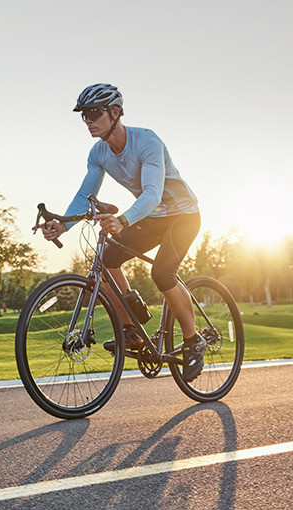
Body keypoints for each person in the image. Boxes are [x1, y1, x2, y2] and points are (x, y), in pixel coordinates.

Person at [40, 83, 206, 382]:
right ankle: (132, 331)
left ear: (114, 113)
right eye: (84, 116)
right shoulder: (98, 152)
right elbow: (84, 196)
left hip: (183, 215)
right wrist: (62, 224)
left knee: (162, 274)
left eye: (94, 114)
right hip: (152, 217)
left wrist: (124, 221)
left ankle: (194, 342)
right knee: (107, 259)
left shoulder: (147, 141)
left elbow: (153, 193)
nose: (88, 121)